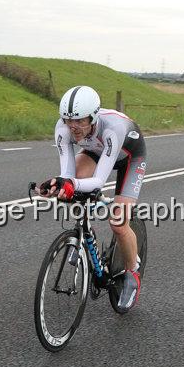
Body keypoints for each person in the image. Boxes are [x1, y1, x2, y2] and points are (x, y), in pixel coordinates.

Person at [38, 85, 148, 310]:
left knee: (118, 222)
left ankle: (132, 272)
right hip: (97, 152)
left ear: (94, 116)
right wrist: (56, 185)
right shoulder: (63, 128)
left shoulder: (112, 128)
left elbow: (99, 180)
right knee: (71, 189)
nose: (73, 127)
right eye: (69, 120)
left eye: (80, 121)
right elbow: (68, 175)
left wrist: (71, 184)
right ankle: (85, 231)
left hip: (129, 156)